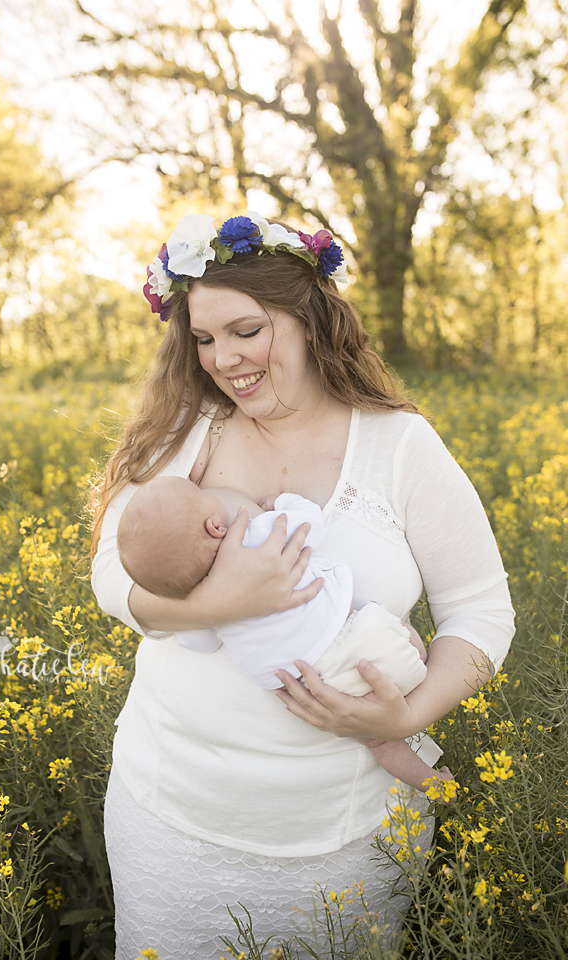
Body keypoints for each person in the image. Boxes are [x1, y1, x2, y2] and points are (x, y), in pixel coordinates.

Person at [91, 211, 515, 959]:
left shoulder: (397, 445)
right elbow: (109, 575)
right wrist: (228, 604)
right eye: (204, 338)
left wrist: (398, 715)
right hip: (170, 817)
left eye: (246, 330)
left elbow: (482, 612)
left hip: (345, 836)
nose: (223, 358)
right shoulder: (191, 427)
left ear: (310, 318)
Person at [116, 475, 456, 795]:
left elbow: (200, 642)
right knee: (404, 640)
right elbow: (309, 523)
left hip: (315, 686)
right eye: (206, 497)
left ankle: (434, 785)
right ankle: (415, 672)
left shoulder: (204, 608)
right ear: (214, 525)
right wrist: (282, 501)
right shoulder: (256, 535)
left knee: (379, 741)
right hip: (361, 639)